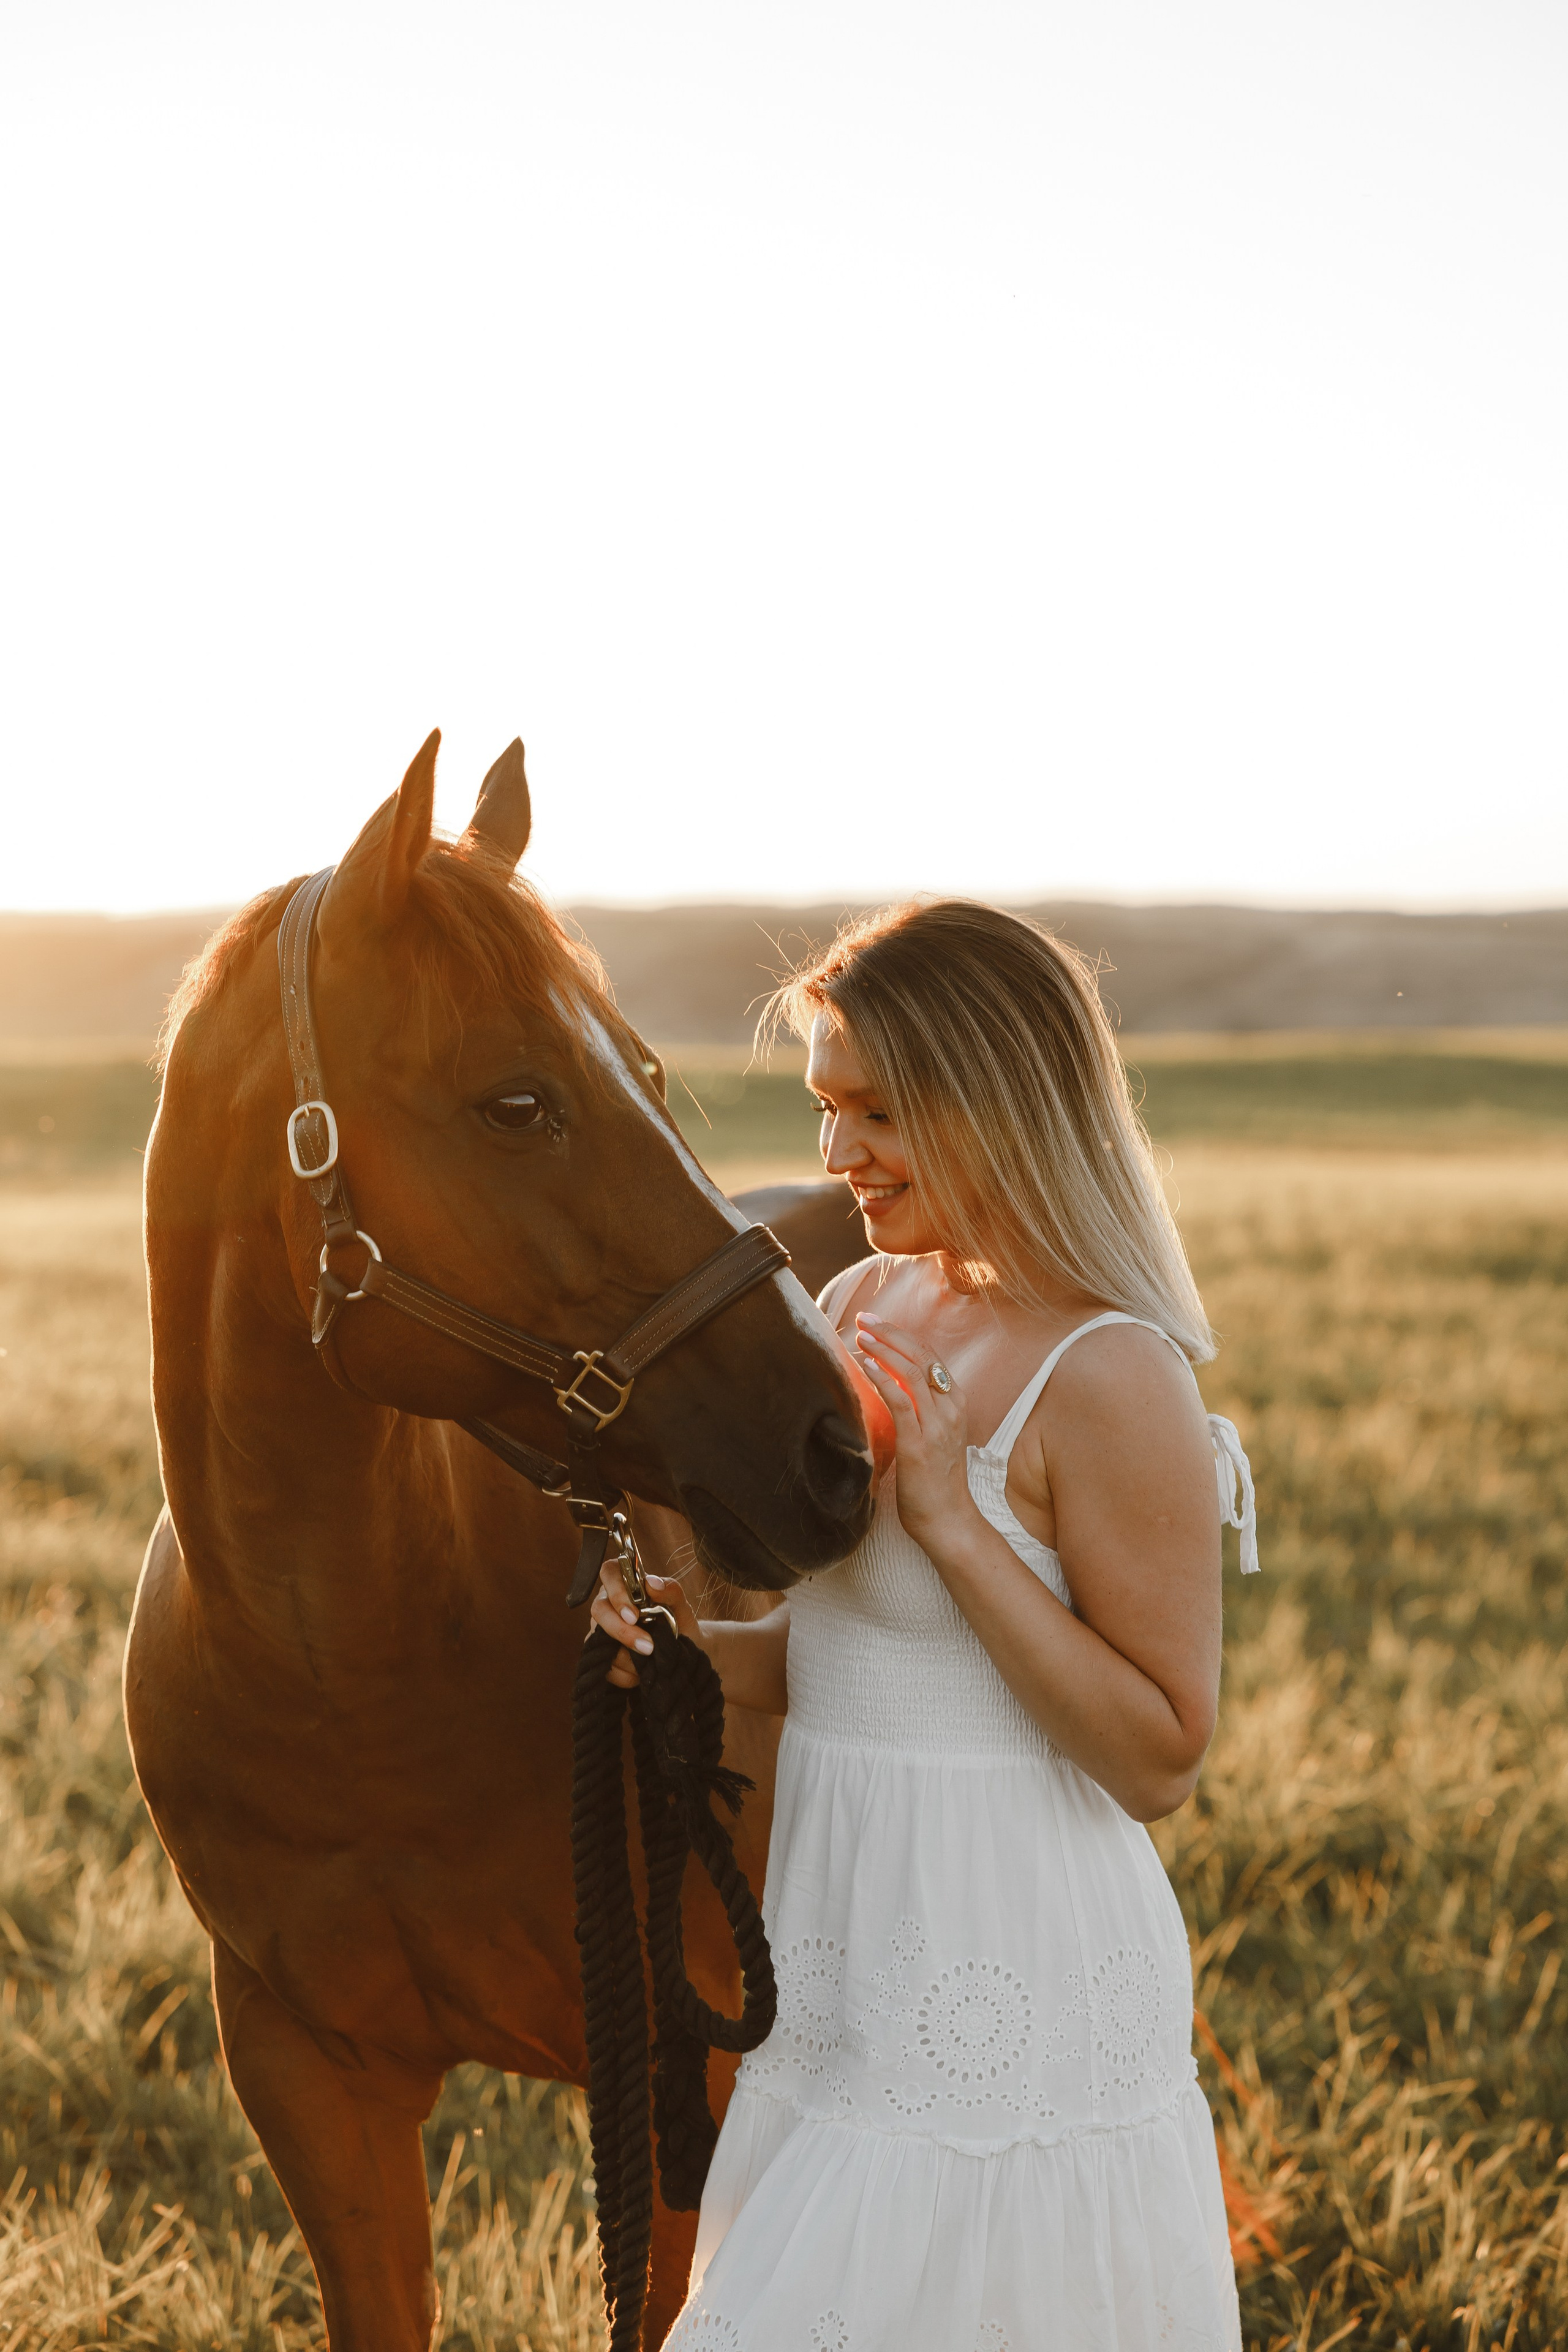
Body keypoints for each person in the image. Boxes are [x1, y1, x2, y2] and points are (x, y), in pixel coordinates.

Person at [593, 900, 1258, 2352]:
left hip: (1008, 1985)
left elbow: (1157, 1757)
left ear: (996, 1099)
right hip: (834, 1970)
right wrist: (676, 1638)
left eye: (875, 1114)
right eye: (825, 1111)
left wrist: (954, 1520)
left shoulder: (1112, 1372)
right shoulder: (856, 1301)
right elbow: (845, 1663)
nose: (834, 1160)